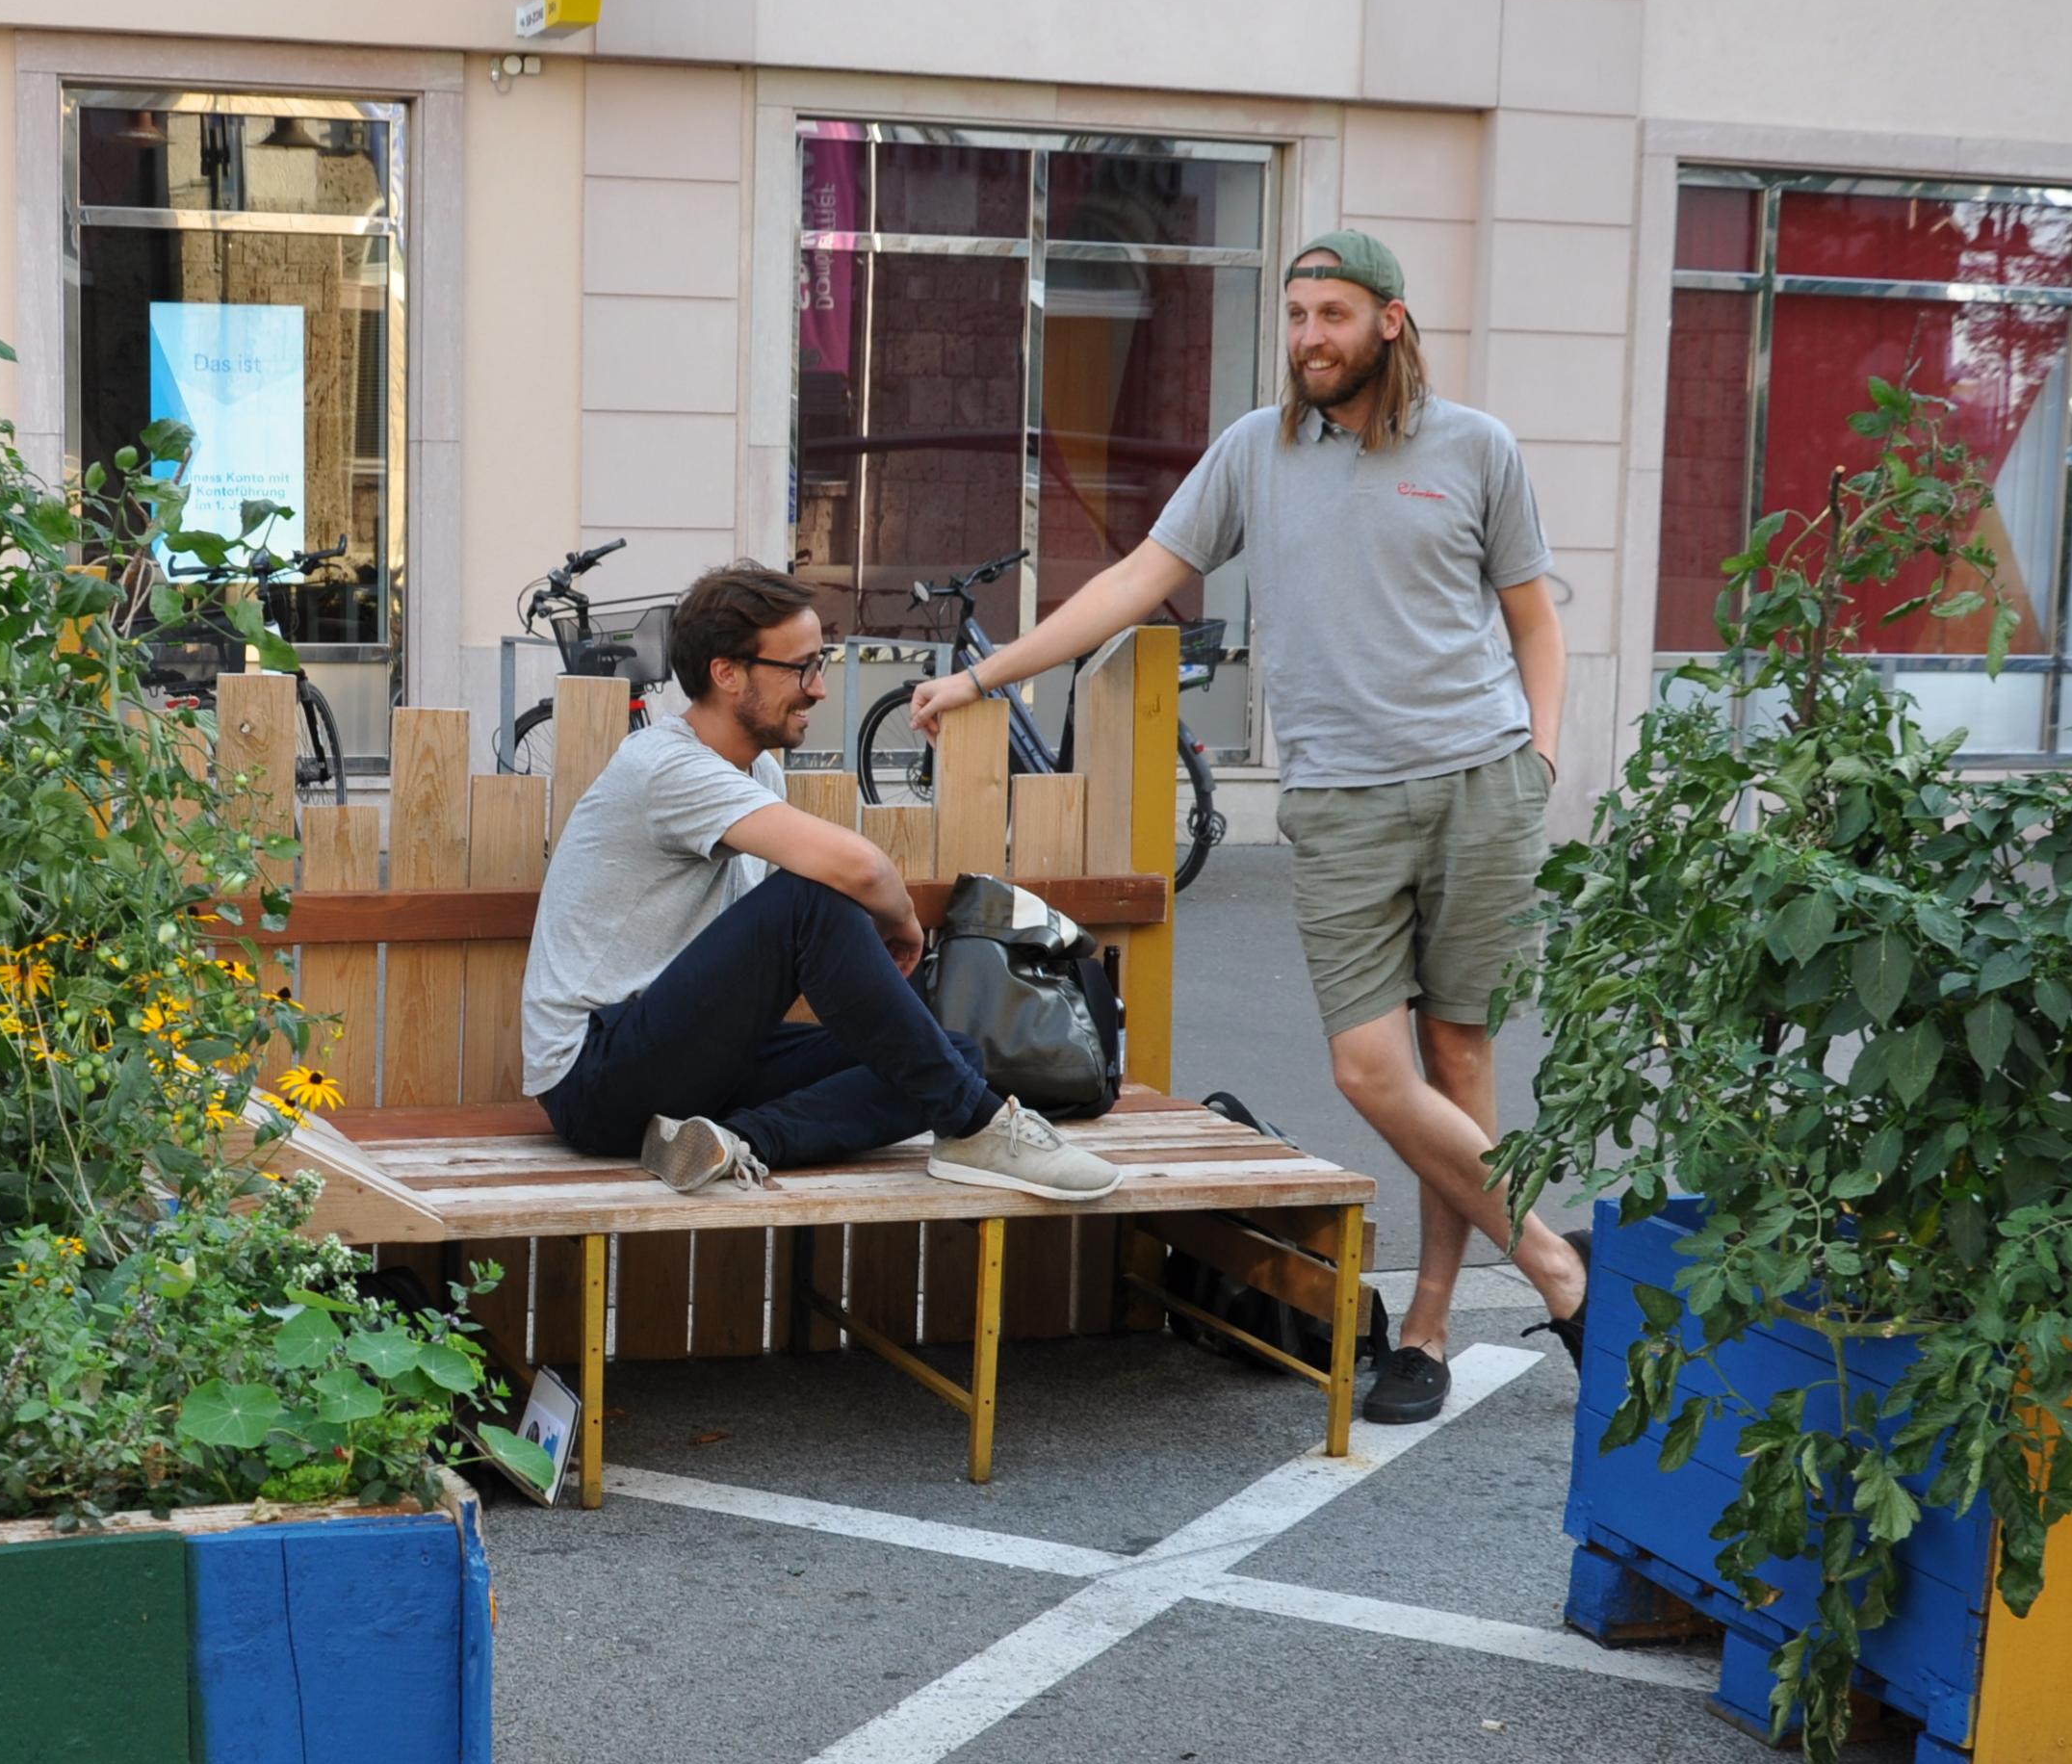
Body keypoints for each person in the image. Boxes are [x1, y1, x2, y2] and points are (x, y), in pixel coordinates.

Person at [908, 229, 1586, 1420]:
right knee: (1370, 1067)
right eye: (1297, 315)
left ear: (1388, 320)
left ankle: (1426, 1328)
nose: (1309, 337)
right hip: (1341, 797)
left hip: (1480, 781)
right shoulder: (1255, 452)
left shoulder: (1476, 446)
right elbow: (1135, 578)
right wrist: (984, 676)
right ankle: (1559, 1268)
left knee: (1458, 1060)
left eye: (1333, 314)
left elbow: (1533, 617)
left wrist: (1540, 752)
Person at [520, 561, 1122, 1203]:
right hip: (596, 1073)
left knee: (951, 1058)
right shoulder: (666, 767)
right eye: (802, 668)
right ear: (727, 673)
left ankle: (734, 1142)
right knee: (813, 898)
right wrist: (901, 921)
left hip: (686, 1063)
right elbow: (857, 870)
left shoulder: (758, 775)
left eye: (822, 663)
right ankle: (979, 1129)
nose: (820, 689)